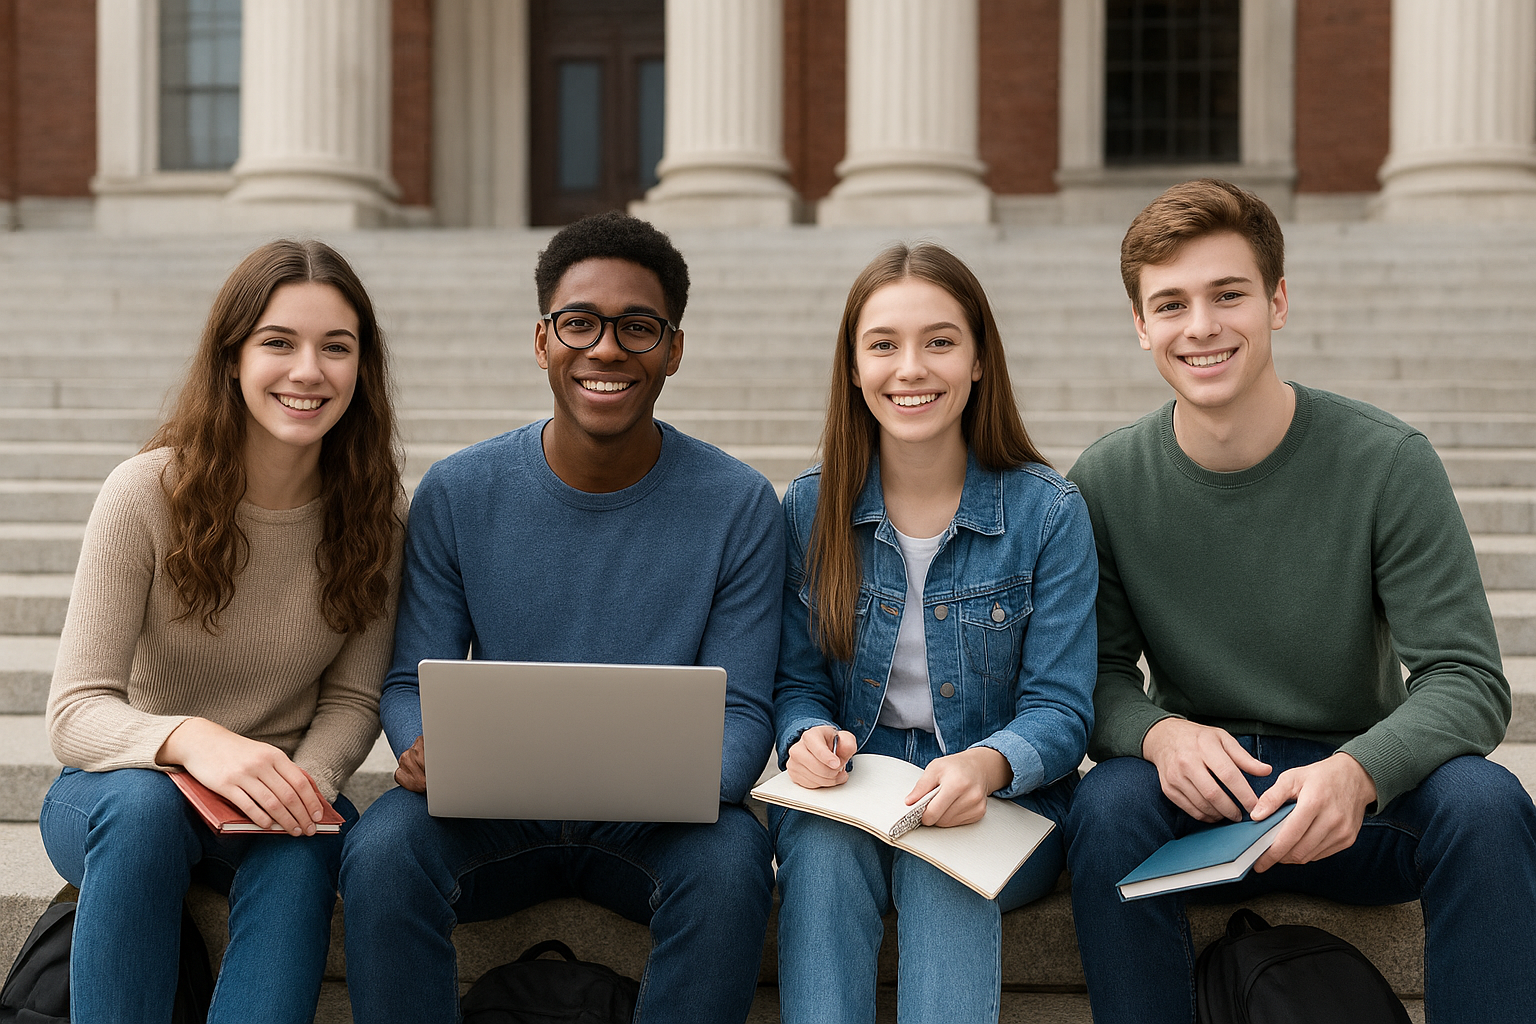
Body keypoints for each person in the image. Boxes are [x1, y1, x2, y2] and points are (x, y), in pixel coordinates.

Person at [1063, 178, 1536, 1023]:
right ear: (1141, 326)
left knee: (1489, 804)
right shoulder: (1106, 481)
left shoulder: (1388, 462)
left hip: (1358, 799)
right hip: (1207, 797)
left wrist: (1361, 771)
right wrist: (1158, 733)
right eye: (1169, 304)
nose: (1200, 326)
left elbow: (1468, 680)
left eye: (1228, 294)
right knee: (1106, 805)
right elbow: (1086, 676)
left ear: (1278, 301)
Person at [337, 212, 784, 1024]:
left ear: (673, 349)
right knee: (381, 848)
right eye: (579, 323)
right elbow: (407, 679)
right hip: (492, 814)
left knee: (733, 861)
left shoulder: (740, 505)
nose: (606, 349)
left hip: (659, 826)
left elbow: (746, 713)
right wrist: (418, 746)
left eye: (637, 327)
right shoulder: (459, 492)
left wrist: (683, 782)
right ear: (542, 341)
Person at [40, 239, 405, 1023]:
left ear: (360, 370)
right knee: (141, 813)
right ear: (232, 357)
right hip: (123, 791)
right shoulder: (146, 493)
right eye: (278, 342)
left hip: (274, 794)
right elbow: (75, 714)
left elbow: (351, 698)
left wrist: (303, 785)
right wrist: (198, 742)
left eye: (335, 347)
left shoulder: (380, 517)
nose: (308, 370)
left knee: (309, 846)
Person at [771, 242, 1097, 1023]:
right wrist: (807, 733)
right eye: (883, 345)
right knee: (818, 852)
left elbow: (1061, 709)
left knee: (939, 860)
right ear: (853, 368)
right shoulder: (810, 509)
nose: (910, 369)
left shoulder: (1048, 514)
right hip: (851, 792)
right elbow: (795, 682)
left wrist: (986, 767)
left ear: (979, 360)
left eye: (939, 342)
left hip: (1009, 800)